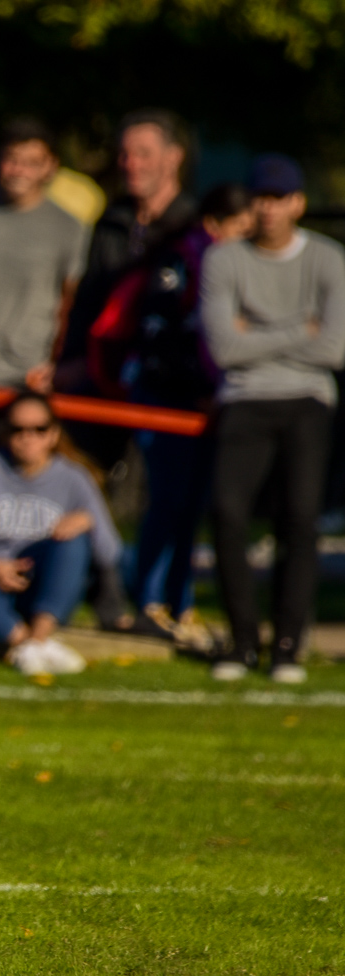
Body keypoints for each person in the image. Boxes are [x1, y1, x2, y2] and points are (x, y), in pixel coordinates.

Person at [202, 155, 345, 684]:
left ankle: (286, 645)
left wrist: (257, 336)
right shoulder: (225, 260)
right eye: (260, 198)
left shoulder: (328, 261)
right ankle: (242, 641)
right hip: (244, 398)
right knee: (227, 512)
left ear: (298, 204)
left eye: (279, 199)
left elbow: (334, 347)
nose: (268, 209)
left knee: (300, 519)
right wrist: (297, 331)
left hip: (307, 399)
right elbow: (223, 348)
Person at [115, 185, 253, 650]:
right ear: (215, 224)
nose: (247, 240)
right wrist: (197, 388)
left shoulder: (223, 264)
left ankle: (180, 603)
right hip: (167, 400)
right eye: (241, 229)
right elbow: (165, 336)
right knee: (168, 503)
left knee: (191, 507)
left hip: (205, 404)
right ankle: (150, 602)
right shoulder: (181, 260)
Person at [0, 393, 122, 676]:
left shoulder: (74, 478)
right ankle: (29, 645)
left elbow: (111, 553)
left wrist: (89, 520)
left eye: (39, 429)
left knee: (73, 542)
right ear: (4, 432)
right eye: (17, 429)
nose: (28, 437)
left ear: (53, 433)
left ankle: (38, 638)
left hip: (45, 588)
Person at [57, 110, 198, 453]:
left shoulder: (194, 229)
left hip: (168, 382)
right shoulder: (109, 223)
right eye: (125, 154)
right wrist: (73, 359)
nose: (131, 163)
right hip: (103, 374)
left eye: (143, 154)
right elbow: (88, 298)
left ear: (173, 157)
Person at [0, 119, 89, 393]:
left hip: (25, 373)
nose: (19, 171)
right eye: (12, 159)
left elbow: (69, 303)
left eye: (32, 162)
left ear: (50, 166)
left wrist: (57, 364)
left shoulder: (69, 227)